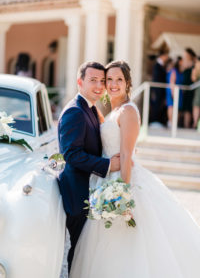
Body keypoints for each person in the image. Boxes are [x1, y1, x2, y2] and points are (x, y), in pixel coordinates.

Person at [70, 60, 200, 278]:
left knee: (126, 245)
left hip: (121, 182)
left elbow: (127, 155)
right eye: (108, 79)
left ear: (128, 83)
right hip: (106, 179)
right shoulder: (113, 111)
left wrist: (122, 196)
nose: (112, 84)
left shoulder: (128, 110)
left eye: (118, 79)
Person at [57, 61, 120, 273]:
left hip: (90, 188)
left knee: (89, 249)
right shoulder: (75, 111)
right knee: (79, 248)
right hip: (77, 191)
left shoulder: (91, 109)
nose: (99, 86)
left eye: (102, 81)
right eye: (93, 80)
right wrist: (109, 164)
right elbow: (72, 155)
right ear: (80, 82)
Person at [150, 49, 169, 126]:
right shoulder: (157, 66)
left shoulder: (162, 65)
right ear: (162, 56)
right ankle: (155, 122)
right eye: (166, 55)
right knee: (156, 105)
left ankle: (159, 121)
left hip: (161, 90)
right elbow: (157, 78)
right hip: (157, 90)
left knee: (160, 105)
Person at [166, 56, 184, 127]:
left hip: (178, 92)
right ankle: (170, 122)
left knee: (177, 107)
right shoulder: (173, 71)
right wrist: (173, 94)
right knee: (171, 106)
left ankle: (175, 123)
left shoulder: (180, 71)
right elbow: (172, 82)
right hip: (172, 91)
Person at [182, 48, 196, 128]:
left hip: (191, 88)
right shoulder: (184, 63)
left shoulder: (194, 64)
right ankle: (185, 125)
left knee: (188, 108)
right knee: (185, 108)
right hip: (185, 88)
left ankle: (187, 125)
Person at [191, 58, 200, 128]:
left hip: (198, 90)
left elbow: (193, 79)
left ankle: (195, 123)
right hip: (198, 90)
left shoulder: (196, 68)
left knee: (196, 106)